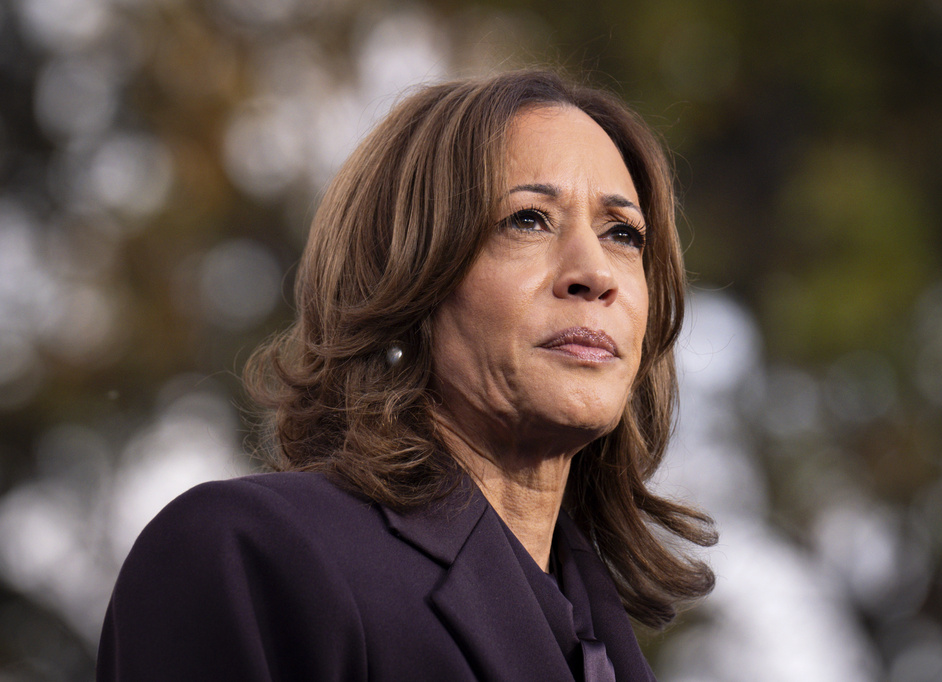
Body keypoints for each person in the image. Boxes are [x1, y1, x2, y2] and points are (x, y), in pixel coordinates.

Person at [97, 69, 716, 681]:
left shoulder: (606, 646)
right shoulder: (245, 557)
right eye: (528, 219)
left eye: (623, 234)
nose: (596, 273)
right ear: (404, 280)